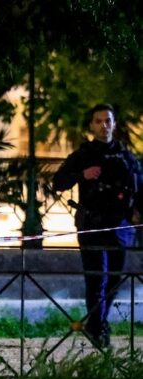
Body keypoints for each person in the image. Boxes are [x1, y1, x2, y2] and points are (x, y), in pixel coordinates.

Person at [53, 104, 143, 348]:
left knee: (114, 278)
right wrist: (82, 175)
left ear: (114, 124)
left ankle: (98, 322)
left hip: (120, 227)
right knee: (96, 279)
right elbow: (58, 182)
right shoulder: (84, 154)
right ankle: (98, 328)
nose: (104, 125)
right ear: (91, 125)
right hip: (92, 224)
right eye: (99, 121)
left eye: (108, 121)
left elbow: (139, 187)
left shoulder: (126, 156)